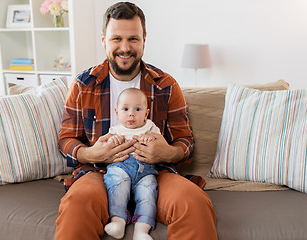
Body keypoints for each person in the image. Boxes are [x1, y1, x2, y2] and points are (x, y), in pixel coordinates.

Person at [55, 2, 217, 240]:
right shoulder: (83, 84)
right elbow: (66, 139)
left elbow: (186, 142)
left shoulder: (166, 85)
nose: (125, 47)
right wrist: (92, 154)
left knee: (194, 202)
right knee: (77, 204)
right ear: (104, 40)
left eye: (133, 39)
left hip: (155, 174)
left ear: (144, 39)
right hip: (99, 173)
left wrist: (166, 153)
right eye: (116, 39)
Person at [104, 88, 160, 240]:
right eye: (125, 109)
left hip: (145, 173)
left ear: (146, 114)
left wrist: (151, 140)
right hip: (121, 168)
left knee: (148, 194)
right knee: (117, 185)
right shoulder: (115, 130)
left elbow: (160, 144)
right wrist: (112, 141)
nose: (131, 113)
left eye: (137, 109)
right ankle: (118, 222)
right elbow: (107, 147)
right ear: (117, 112)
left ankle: (142, 230)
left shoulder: (150, 127)